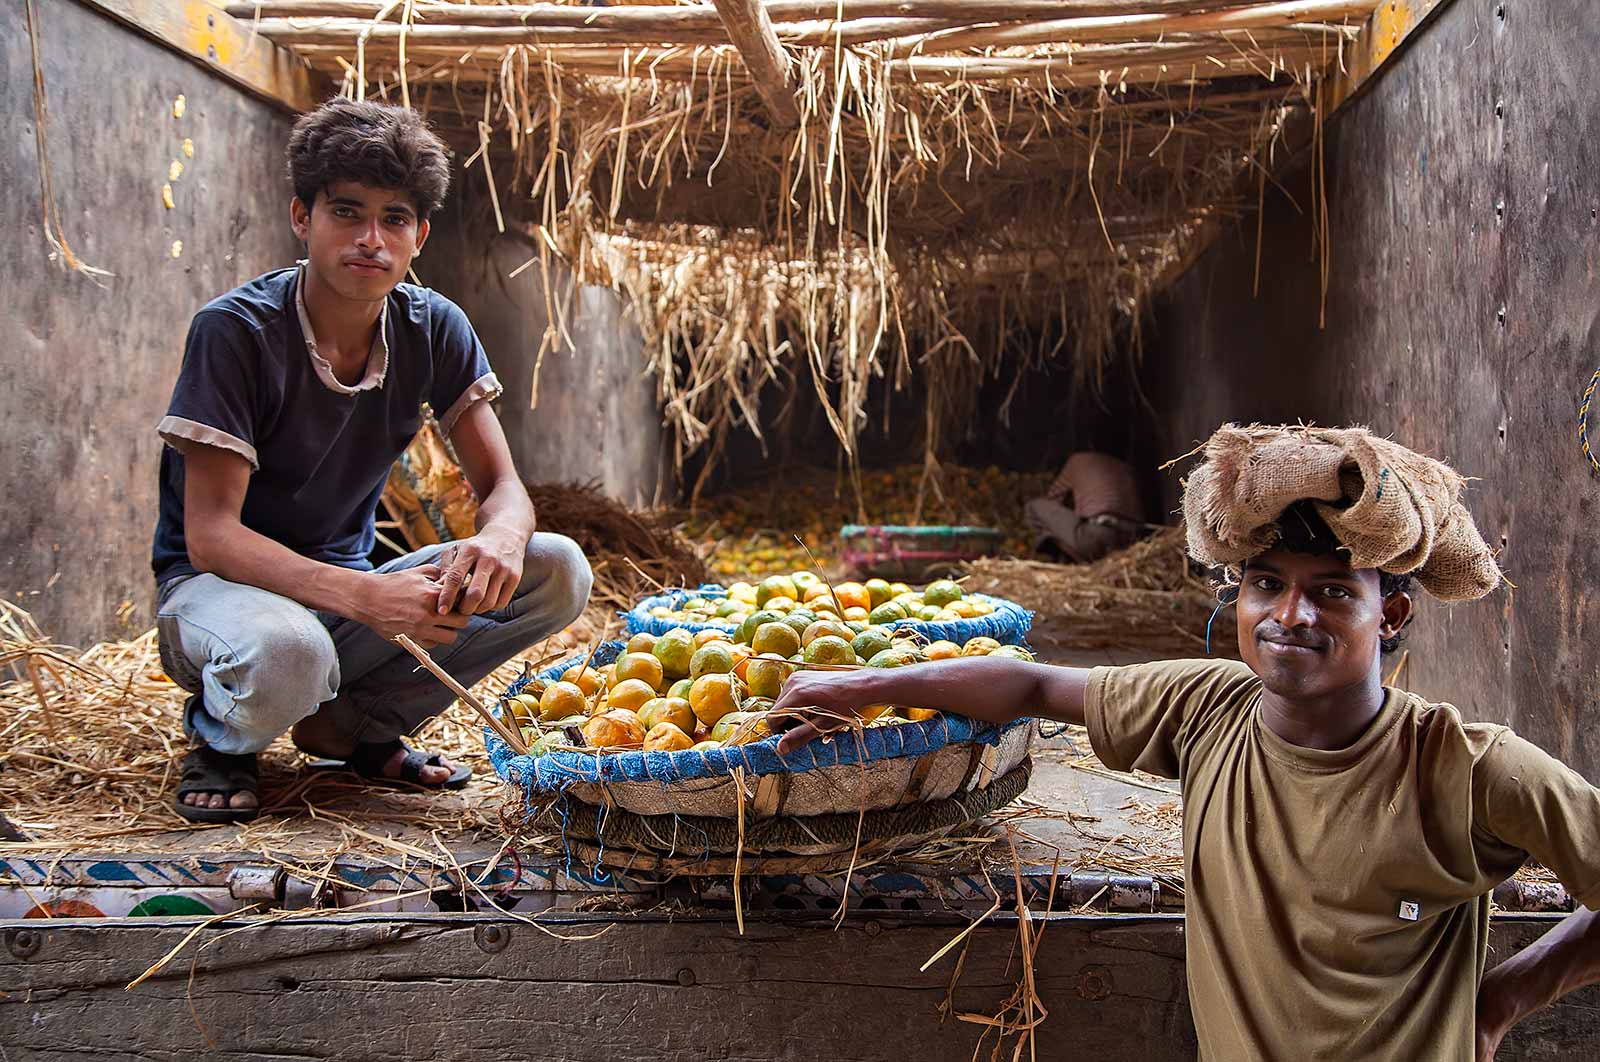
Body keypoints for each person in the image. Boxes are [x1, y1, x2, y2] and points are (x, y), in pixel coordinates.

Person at [773, 425, 1600, 1061]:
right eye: (1266, 585)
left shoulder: (1467, 768)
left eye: (1333, 593)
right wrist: (861, 686)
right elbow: (1027, 683)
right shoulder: (1208, 711)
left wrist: (1501, 1002)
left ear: (1390, 615)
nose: (1289, 617)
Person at [152, 99, 592, 824]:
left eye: (393, 219)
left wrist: (498, 540)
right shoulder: (235, 331)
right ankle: (222, 741)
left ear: (419, 234)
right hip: (217, 599)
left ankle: (352, 728)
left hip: (347, 602)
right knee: (290, 650)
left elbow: (504, 486)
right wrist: (363, 598)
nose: (370, 239)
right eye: (346, 212)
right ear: (302, 217)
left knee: (556, 568)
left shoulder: (433, 326)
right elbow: (211, 537)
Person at [1024, 450, 1147, 563]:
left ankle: (1062, 559)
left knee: (1034, 507)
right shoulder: (1127, 469)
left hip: (1096, 535)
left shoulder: (1077, 460)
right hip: (1132, 542)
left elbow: (1053, 498)